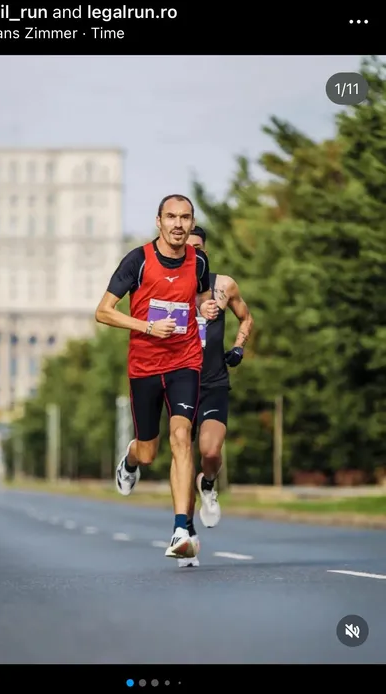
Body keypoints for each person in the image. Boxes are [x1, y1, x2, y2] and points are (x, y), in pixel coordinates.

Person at [95, 195, 219, 559]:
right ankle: (131, 459)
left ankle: (181, 529)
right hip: (145, 366)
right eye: (171, 217)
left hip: (185, 361)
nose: (178, 224)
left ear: (192, 222)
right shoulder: (137, 260)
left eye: (185, 217)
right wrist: (147, 326)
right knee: (149, 452)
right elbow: (104, 312)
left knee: (182, 438)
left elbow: (201, 298)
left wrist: (207, 306)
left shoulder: (198, 261)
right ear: (158, 221)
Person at [178, 226, 254, 567]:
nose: (192, 252)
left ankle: (208, 484)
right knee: (182, 459)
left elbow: (246, 318)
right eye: (185, 247)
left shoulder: (223, 286)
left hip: (213, 383)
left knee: (210, 452)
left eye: (198, 248)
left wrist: (238, 347)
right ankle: (186, 535)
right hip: (179, 384)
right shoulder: (165, 289)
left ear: (205, 252)